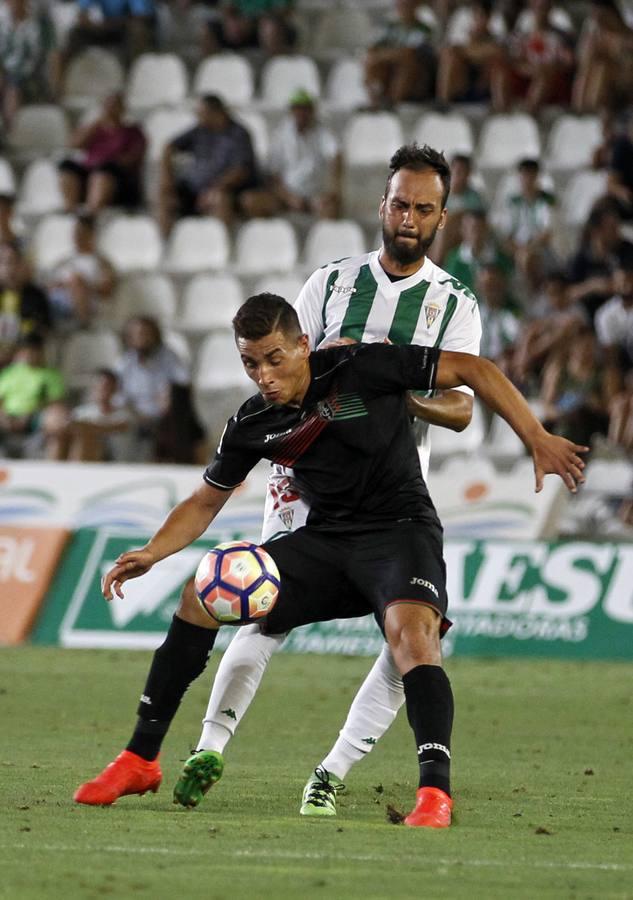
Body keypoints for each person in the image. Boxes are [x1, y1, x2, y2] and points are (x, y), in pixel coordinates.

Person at [73, 292, 586, 829]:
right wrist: (154, 552)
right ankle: (140, 758)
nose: (265, 375)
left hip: (400, 532)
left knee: (413, 639)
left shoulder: (360, 365)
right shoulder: (253, 422)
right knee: (200, 595)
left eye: (275, 358)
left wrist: (536, 436)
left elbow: (474, 371)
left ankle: (435, 793)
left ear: (302, 345)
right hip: (327, 542)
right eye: (251, 363)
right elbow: (206, 499)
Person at [197, 144, 483, 819]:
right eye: (398, 203)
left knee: (412, 634)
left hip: (391, 492)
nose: (407, 216)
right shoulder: (329, 283)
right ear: (379, 206)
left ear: (440, 217)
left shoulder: (455, 305)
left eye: (422, 207)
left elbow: (464, 406)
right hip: (305, 485)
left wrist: (399, 395)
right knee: (260, 610)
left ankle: (332, 769)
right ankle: (208, 747)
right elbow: (290, 369)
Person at [157, 94, 258, 234]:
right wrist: (167, 178)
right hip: (193, 189)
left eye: (201, 113)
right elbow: (168, 147)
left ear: (215, 113)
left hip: (223, 189)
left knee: (220, 198)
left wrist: (213, 188)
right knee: (164, 195)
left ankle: (221, 244)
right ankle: (165, 244)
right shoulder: (199, 130)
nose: (198, 117)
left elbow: (241, 170)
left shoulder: (239, 134)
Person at [240, 90, 340, 219]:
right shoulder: (281, 134)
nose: (301, 113)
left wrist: (334, 190)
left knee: (331, 208)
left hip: (314, 196)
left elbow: (336, 155)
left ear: (312, 111)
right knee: (250, 201)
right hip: (286, 196)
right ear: (292, 111)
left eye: (305, 109)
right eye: (297, 109)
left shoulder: (323, 132)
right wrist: (289, 198)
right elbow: (273, 175)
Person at [58, 92, 147, 215]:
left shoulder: (133, 131)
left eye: (114, 105)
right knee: (68, 166)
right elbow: (74, 144)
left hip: (116, 178)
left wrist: (106, 163)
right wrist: (97, 123)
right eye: (107, 106)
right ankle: (69, 209)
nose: (110, 109)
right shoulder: (95, 129)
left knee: (103, 171)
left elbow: (132, 159)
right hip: (91, 173)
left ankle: (92, 213)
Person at [46, 214, 116, 331]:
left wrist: (83, 285)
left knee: (76, 280)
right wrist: (63, 285)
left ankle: (83, 325)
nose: (77, 236)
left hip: (89, 304)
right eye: (75, 232)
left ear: (92, 234)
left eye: (81, 232)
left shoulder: (102, 262)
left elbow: (107, 288)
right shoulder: (64, 260)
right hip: (59, 303)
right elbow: (50, 286)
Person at [364, 0, 436, 108]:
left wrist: (384, 55)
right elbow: (373, 49)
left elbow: (408, 52)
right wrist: (386, 56)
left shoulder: (423, 29)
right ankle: (374, 101)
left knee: (407, 62)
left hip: (417, 76)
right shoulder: (390, 27)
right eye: (401, 4)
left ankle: (394, 101)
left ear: (415, 6)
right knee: (372, 62)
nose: (404, 8)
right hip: (391, 67)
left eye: (408, 5)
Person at [0, 240, 50, 368]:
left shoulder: (37, 298)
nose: (9, 268)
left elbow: (41, 332)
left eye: (13, 262)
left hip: (22, 359)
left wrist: (14, 352)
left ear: (23, 265)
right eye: (4, 262)